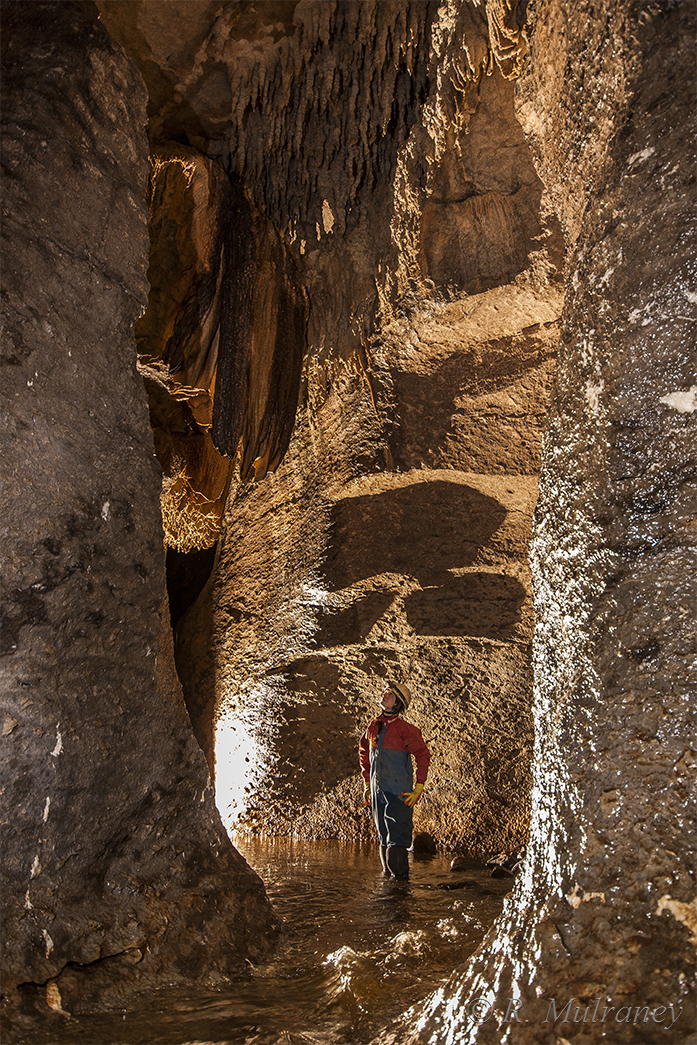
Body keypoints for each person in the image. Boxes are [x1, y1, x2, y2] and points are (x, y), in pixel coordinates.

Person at [359, 681, 430, 879]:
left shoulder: (405, 729)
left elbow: (423, 755)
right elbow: (364, 751)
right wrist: (367, 783)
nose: (384, 695)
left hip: (399, 793)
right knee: (383, 835)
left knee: (397, 838)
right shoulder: (373, 727)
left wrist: (419, 786)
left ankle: (400, 889)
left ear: (398, 703)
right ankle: (386, 884)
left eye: (389, 694)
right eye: (385, 692)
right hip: (377, 791)